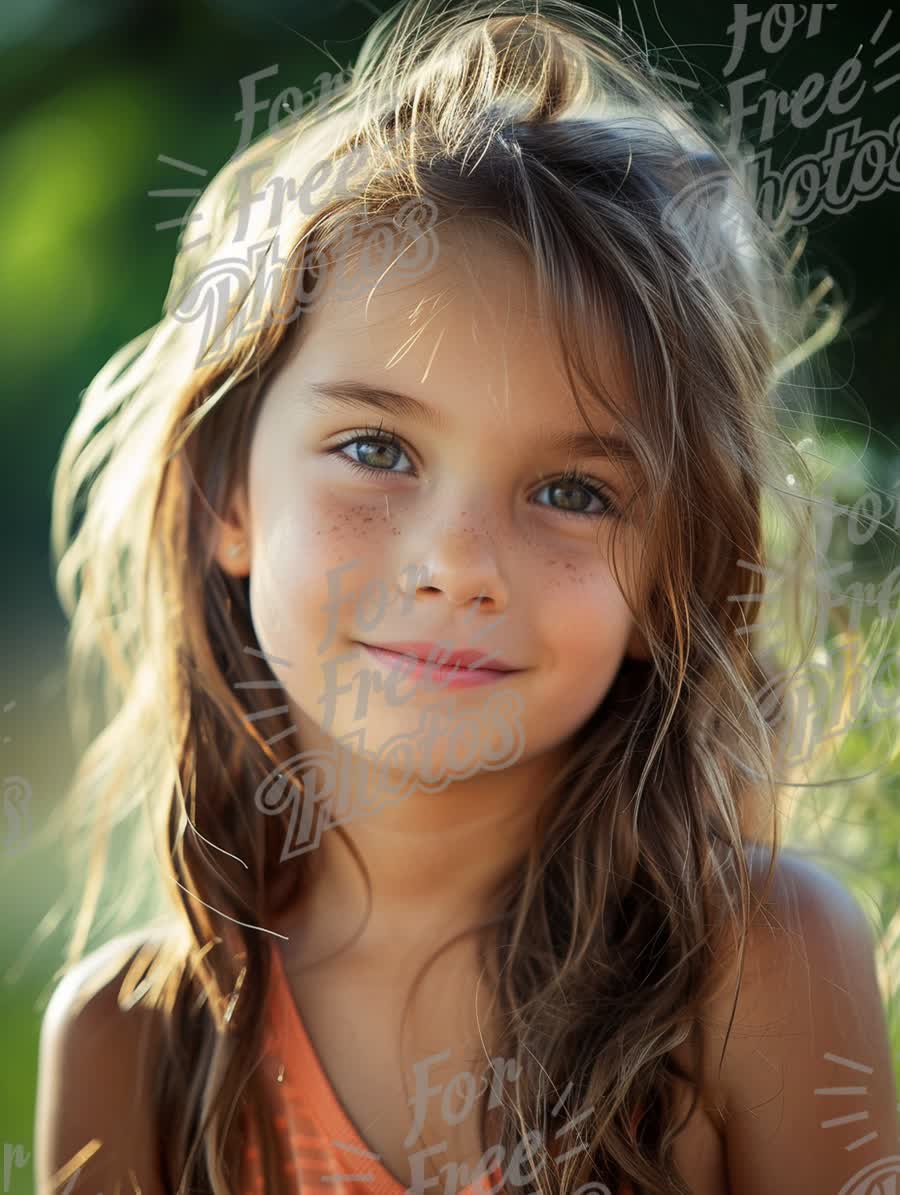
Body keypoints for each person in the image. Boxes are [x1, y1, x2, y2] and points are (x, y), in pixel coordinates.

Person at [34, 1, 898, 1193]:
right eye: (378, 450)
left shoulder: (760, 968)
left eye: (572, 489)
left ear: (672, 573)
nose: (458, 563)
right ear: (225, 493)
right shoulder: (133, 1040)